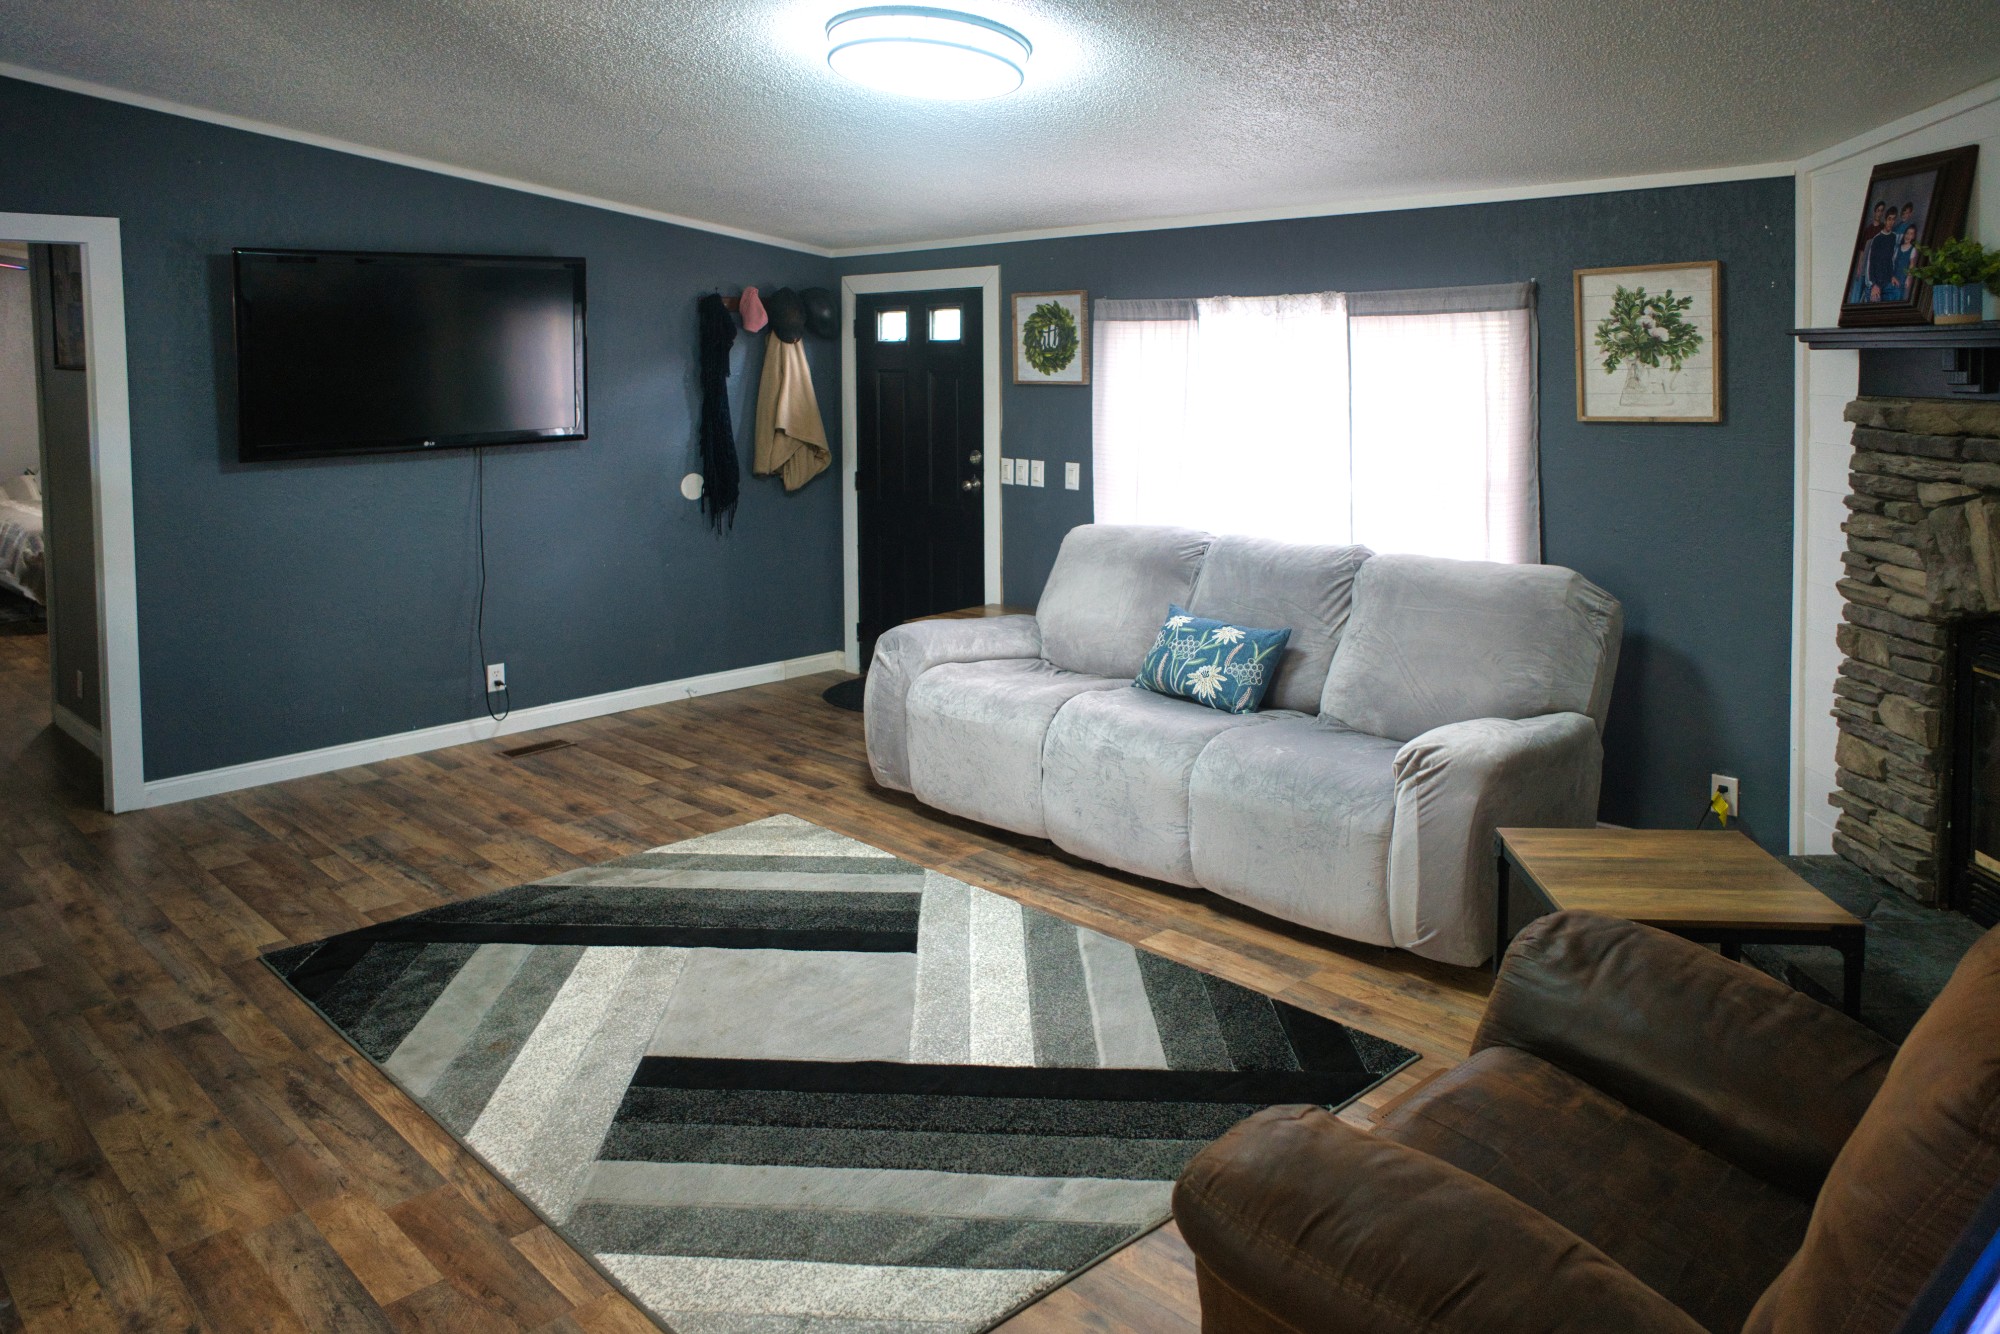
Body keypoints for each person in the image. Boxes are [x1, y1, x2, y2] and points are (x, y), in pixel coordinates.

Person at [1851, 201, 1890, 302]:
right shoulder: (1868, 230)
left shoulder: (1883, 229)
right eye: (1878, 211)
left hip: (1875, 266)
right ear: (1874, 212)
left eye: (1882, 211)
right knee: (1858, 288)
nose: (1879, 213)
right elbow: (1862, 250)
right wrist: (1859, 267)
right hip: (1864, 265)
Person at [1888, 224, 1919, 301]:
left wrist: (1908, 278)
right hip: (1893, 275)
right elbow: (1892, 262)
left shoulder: (1912, 249)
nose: (1908, 236)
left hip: (1902, 278)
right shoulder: (1898, 247)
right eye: (1907, 233)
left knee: (1898, 296)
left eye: (1911, 234)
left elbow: (1911, 265)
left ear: (1914, 237)